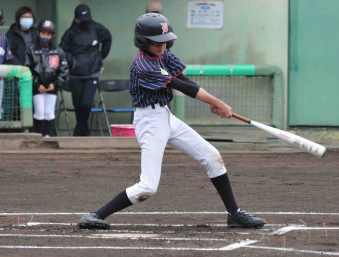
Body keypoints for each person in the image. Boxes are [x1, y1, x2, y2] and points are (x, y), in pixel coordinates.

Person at [78, 13, 265, 230]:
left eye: (165, 40)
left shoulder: (163, 53)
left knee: (212, 156)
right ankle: (95, 215)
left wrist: (213, 103)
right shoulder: (142, 65)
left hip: (166, 116)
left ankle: (235, 214)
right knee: (148, 187)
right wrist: (218, 102)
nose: (162, 45)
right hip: (149, 121)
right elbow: (181, 87)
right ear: (143, 41)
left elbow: (184, 79)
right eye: (157, 42)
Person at [59, 4, 112, 136]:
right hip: (75, 74)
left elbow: (107, 38)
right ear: (76, 19)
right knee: (77, 104)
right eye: (82, 20)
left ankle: (81, 128)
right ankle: (82, 129)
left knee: (86, 102)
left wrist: (101, 56)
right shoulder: (70, 33)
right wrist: (72, 61)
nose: (85, 23)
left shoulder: (96, 28)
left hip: (92, 72)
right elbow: (61, 50)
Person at [25, 20, 69, 137]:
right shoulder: (31, 49)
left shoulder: (58, 51)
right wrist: (37, 84)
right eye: (43, 33)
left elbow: (64, 70)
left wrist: (55, 84)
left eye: (48, 34)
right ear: (38, 33)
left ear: (52, 36)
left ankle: (47, 135)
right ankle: (39, 135)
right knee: (39, 112)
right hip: (37, 86)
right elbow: (26, 69)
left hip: (52, 87)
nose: (45, 36)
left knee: (49, 113)